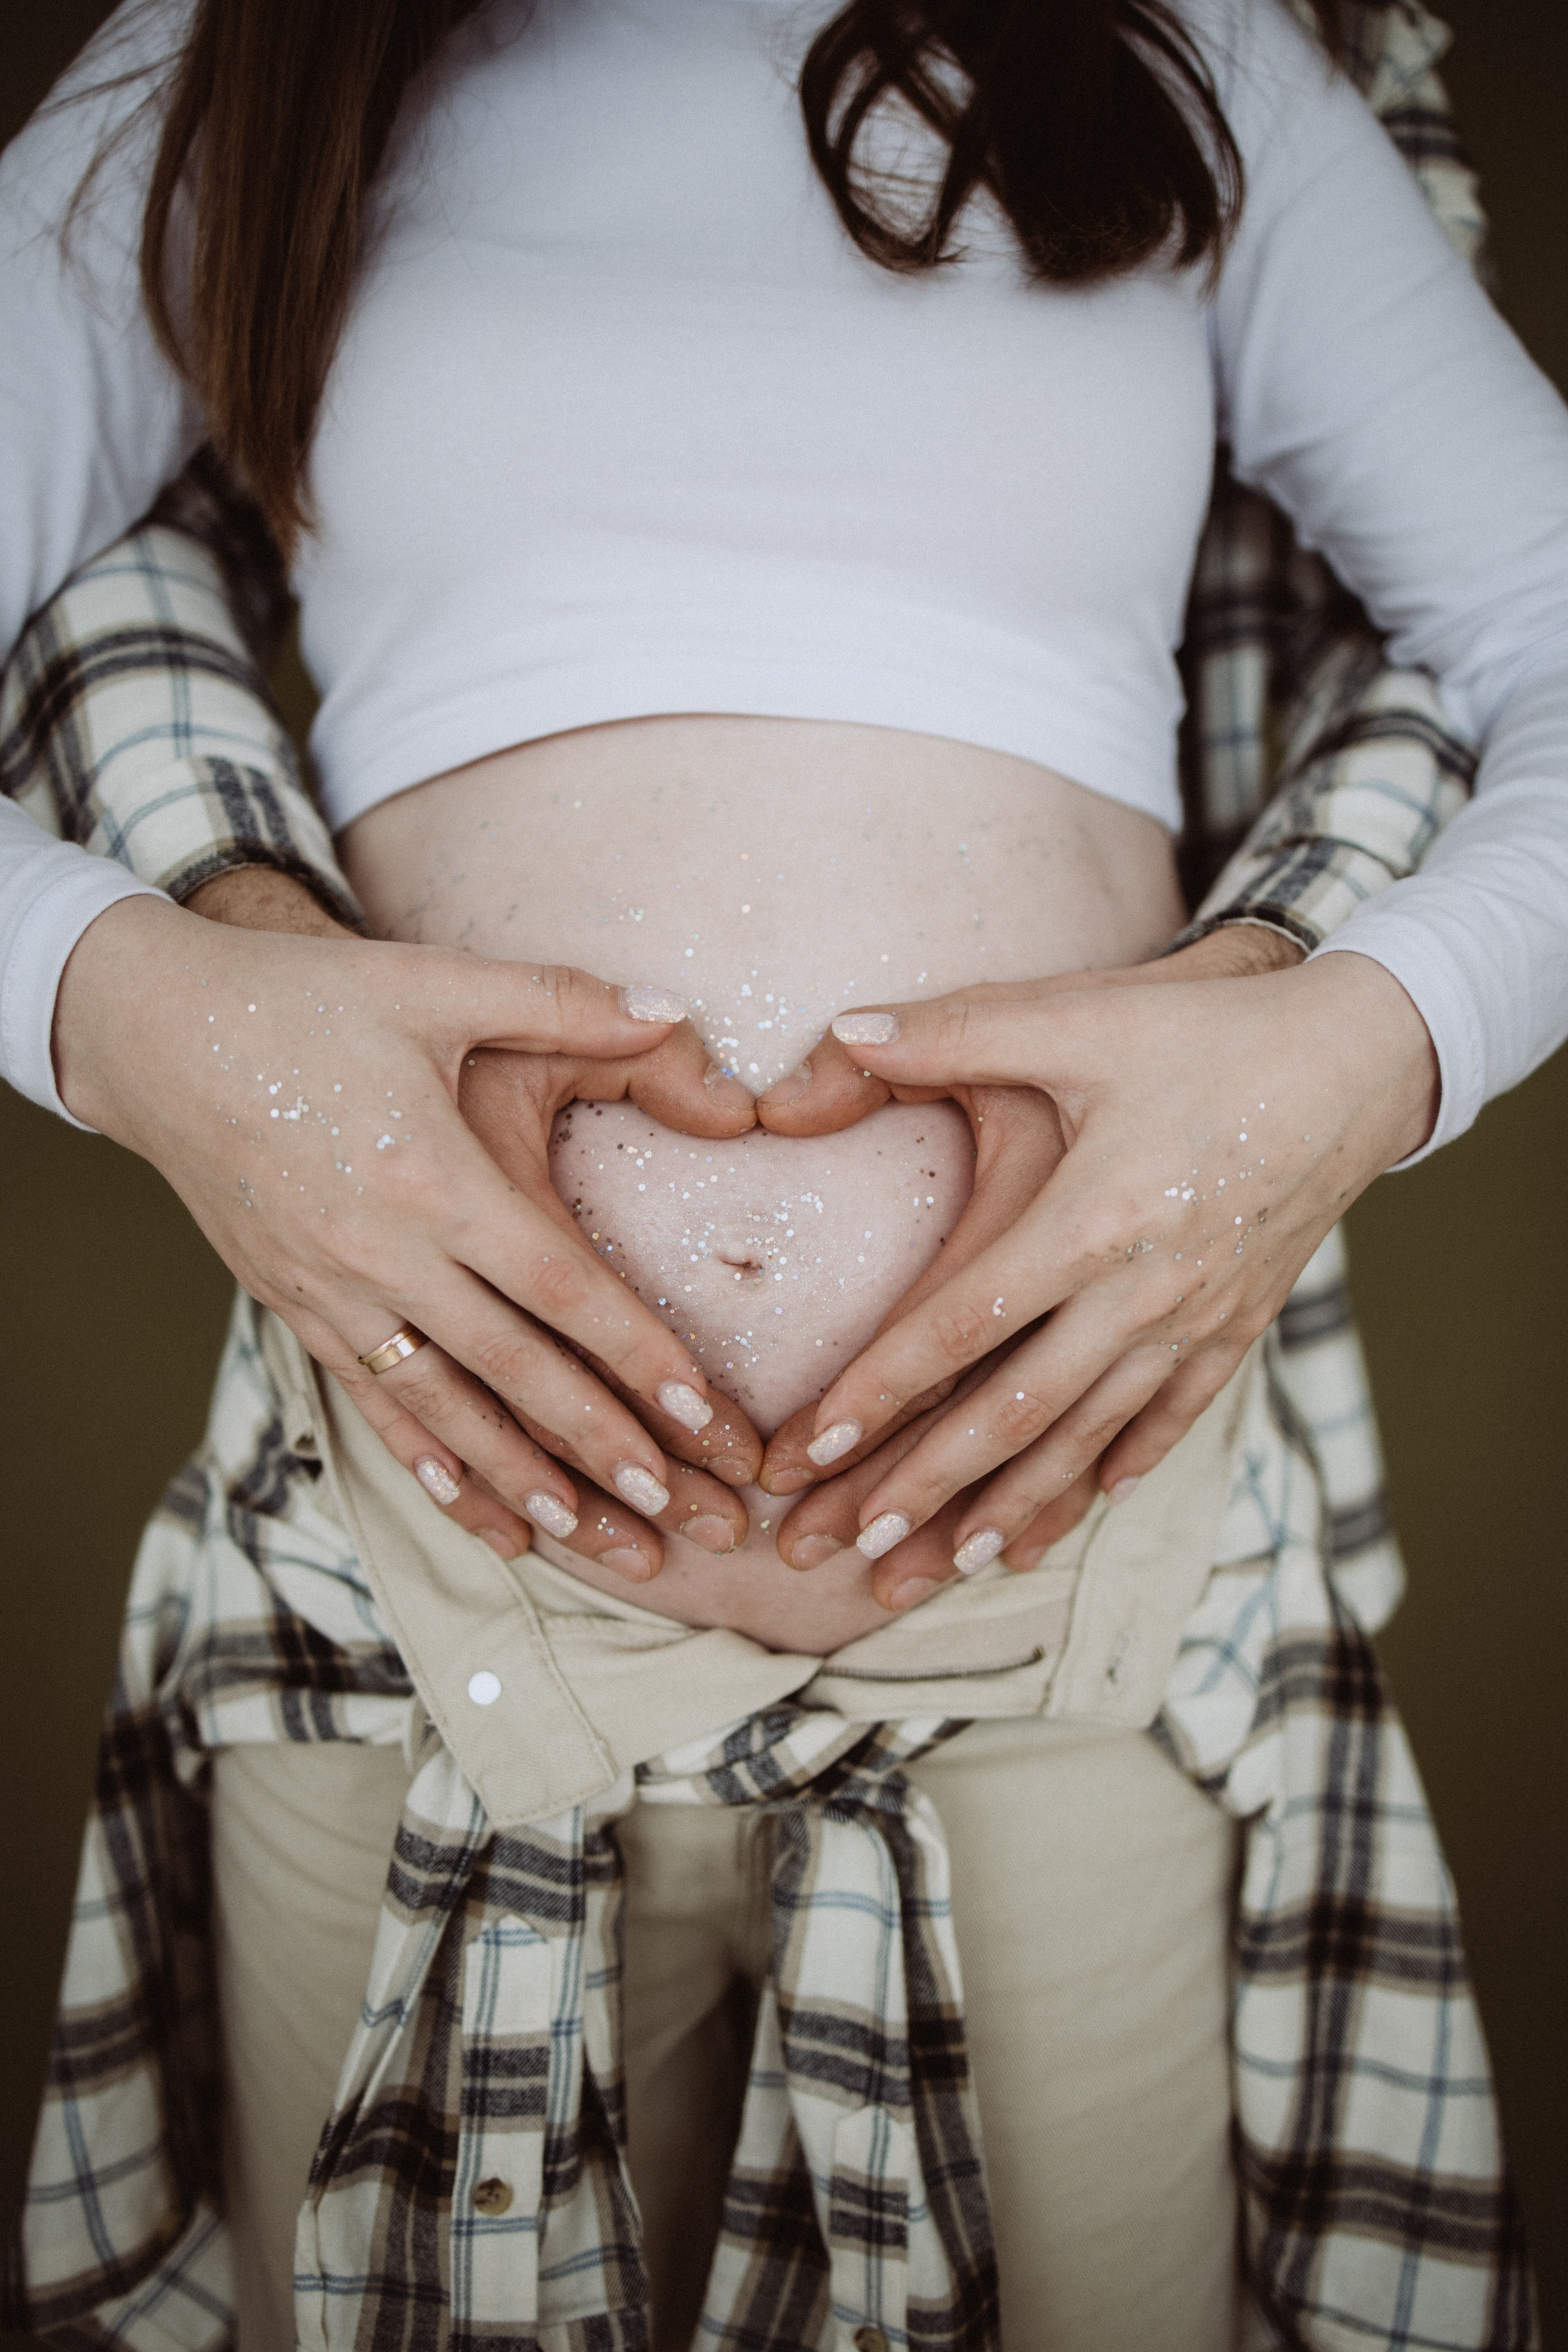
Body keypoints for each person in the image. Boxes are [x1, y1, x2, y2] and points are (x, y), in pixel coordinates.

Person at [1, 0, 1558, 2343]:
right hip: (424, 1594)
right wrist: (132, 1016)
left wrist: (1356, 1057)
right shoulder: (241, 67)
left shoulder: (1194, 51)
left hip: (1069, 1601)